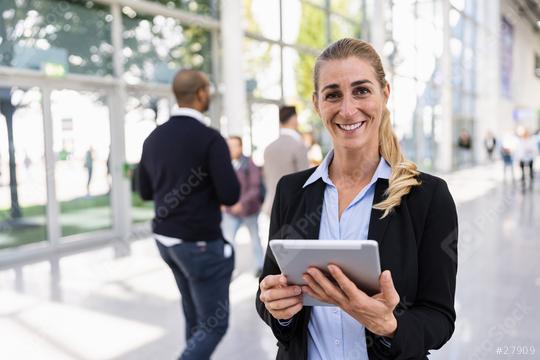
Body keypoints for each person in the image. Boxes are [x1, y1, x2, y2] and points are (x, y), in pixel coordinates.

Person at [256, 38, 458, 359]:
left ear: (385, 94)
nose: (348, 109)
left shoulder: (427, 197)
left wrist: (389, 327)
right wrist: (279, 310)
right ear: (317, 104)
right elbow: (269, 291)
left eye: (362, 90)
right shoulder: (291, 192)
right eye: (333, 95)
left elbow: (439, 317)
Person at [138, 69, 240, 360]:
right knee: (214, 324)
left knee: (195, 318)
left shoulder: (153, 138)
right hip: (199, 244)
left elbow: (144, 191)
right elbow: (230, 194)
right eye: (208, 89)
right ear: (200, 93)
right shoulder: (210, 139)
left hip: (166, 242)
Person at [222, 135, 265, 276]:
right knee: (229, 241)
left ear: (240, 147)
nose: (231, 149)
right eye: (228, 146)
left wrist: (241, 203)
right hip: (230, 212)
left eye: (234, 146)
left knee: (255, 239)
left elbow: (255, 188)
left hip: (249, 210)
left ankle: (260, 266)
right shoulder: (224, 163)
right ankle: (229, 269)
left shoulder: (249, 164)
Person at [262, 105, 309, 216]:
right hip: (294, 208)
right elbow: (305, 179)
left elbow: (266, 177)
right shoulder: (298, 146)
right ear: (294, 119)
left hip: (272, 205)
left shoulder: (268, 148)